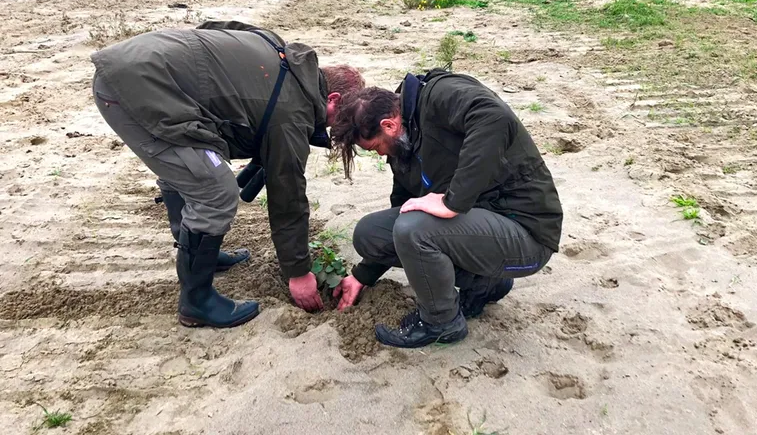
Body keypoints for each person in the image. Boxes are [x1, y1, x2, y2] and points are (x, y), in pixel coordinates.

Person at [91, 21, 364, 329]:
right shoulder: (292, 111)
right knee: (215, 189)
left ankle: (198, 250)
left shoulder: (279, 50)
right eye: (337, 120)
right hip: (135, 88)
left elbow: (215, 27)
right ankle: (196, 301)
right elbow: (287, 194)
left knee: (192, 161)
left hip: (142, 62)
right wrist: (298, 272)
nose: (330, 128)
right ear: (333, 98)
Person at [330, 69, 563, 348]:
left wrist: (452, 201)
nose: (380, 154)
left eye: (375, 146)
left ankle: (441, 323)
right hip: (477, 228)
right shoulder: (404, 144)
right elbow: (402, 213)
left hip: (526, 233)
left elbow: (494, 117)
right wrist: (362, 276)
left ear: (389, 125)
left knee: (414, 229)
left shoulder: (439, 94)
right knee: (371, 233)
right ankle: (484, 283)